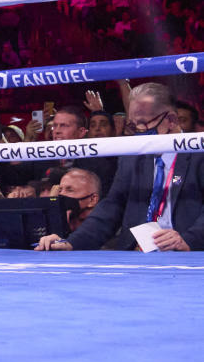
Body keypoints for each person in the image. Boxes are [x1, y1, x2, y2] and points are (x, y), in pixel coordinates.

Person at [37, 83, 204, 252]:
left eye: (144, 124)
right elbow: (113, 205)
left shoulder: (199, 154)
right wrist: (72, 242)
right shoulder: (132, 156)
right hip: (136, 253)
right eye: (133, 125)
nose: (138, 131)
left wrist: (189, 240)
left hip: (188, 253)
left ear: (171, 120)